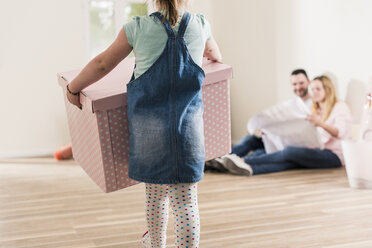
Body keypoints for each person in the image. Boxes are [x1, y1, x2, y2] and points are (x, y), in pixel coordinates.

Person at [66, 0, 222, 247]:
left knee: (155, 195)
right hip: (189, 133)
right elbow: (216, 55)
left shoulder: (137, 28)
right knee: (186, 202)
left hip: (149, 134)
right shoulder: (200, 24)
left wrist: (73, 87)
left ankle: (155, 243)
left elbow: (102, 64)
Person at [218, 75, 352, 176]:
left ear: (328, 90)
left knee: (289, 152)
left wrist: (320, 123)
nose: (314, 92)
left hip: (333, 155)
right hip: (315, 148)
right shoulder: (314, 109)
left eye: (318, 89)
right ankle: (248, 168)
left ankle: (243, 161)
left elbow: (340, 132)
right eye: (313, 89)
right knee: (287, 160)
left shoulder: (340, 107)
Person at [205, 69, 312, 172]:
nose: (298, 87)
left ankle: (228, 163)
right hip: (276, 140)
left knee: (259, 153)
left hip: (290, 145)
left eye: (301, 83)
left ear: (309, 82)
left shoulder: (313, 105)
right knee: (249, 139)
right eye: (294, 84)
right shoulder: (291, 104)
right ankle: (221, 159)